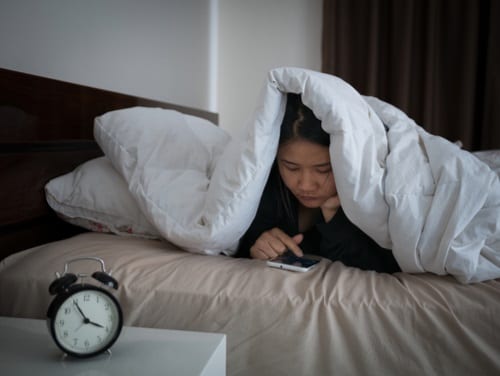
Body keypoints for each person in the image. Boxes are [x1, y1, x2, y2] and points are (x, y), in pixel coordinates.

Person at [237, 93, 401, 274]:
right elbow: (235, 246)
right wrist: (257, 247)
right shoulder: (263, 187)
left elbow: (382, 267)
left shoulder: (377, 193)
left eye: (323, 169)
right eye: (291, 168)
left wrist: (332, 216)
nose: (306, 185)